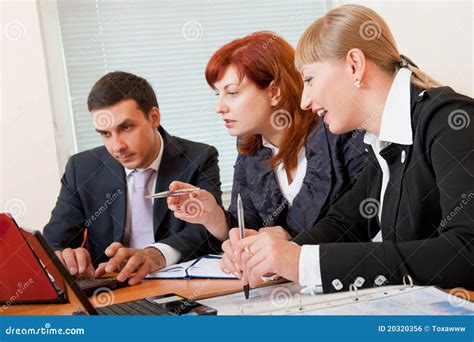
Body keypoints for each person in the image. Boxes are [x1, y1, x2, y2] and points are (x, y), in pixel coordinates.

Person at [225, 4, 474, 293]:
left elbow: (466, 252)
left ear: (354, 65)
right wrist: (274, 256)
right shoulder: (381, 141)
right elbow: (345, 223)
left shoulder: (450, 123)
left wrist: (303, 261)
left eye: (309, 79)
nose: (304, 101)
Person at [167, 31, 368, 277]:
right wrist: (214, 217)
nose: (219, 107)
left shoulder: (340, 131)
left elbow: (365, 224)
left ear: (274, 92)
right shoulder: (251, 150)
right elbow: (249, 227)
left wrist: (290, 239)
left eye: (232, 93)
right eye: (217, 94)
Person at [44, 71, 222, 285]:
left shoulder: (199, 158)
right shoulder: (81, 168)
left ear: (154, 117)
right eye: (105, 134)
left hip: (179, 287)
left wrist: (156, 254)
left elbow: (208, 230)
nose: (117, 146)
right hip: (113, 287)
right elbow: (55, 240)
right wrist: (66, 257)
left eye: (126, 128)